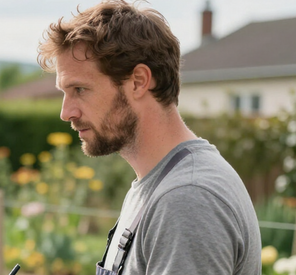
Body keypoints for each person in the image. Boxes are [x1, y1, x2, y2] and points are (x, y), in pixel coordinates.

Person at [37, 1, 261, 274]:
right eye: (64, 91)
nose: (65, 112)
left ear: (139, 81)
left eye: (80, 89)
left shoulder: (187, 198)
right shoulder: (158, 183)